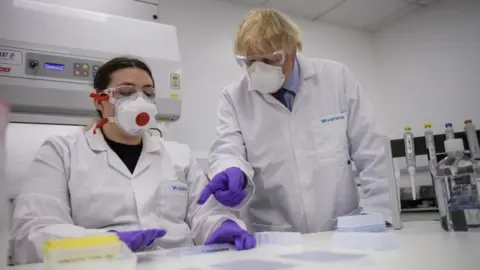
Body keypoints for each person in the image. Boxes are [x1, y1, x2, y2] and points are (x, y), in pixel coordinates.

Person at [11, 57, 255, 265]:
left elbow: (204, 214)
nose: (140, 101)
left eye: (148, 94)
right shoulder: (62, 152)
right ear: (99, 100)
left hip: (179, 264)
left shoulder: (178, 155)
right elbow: (32, 233)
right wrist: (105, 243)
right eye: (127, 93)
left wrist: (221, 226)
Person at [198, 9, 392, 233]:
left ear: (292, 50)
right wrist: (230, 169)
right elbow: (227, 147)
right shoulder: (234, 97)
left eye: (271, 59)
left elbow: (372, 150)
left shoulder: (336, 79)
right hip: (276, 235)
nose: (259, 69)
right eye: (250, 62)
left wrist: (378, 212)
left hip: (342, 228)